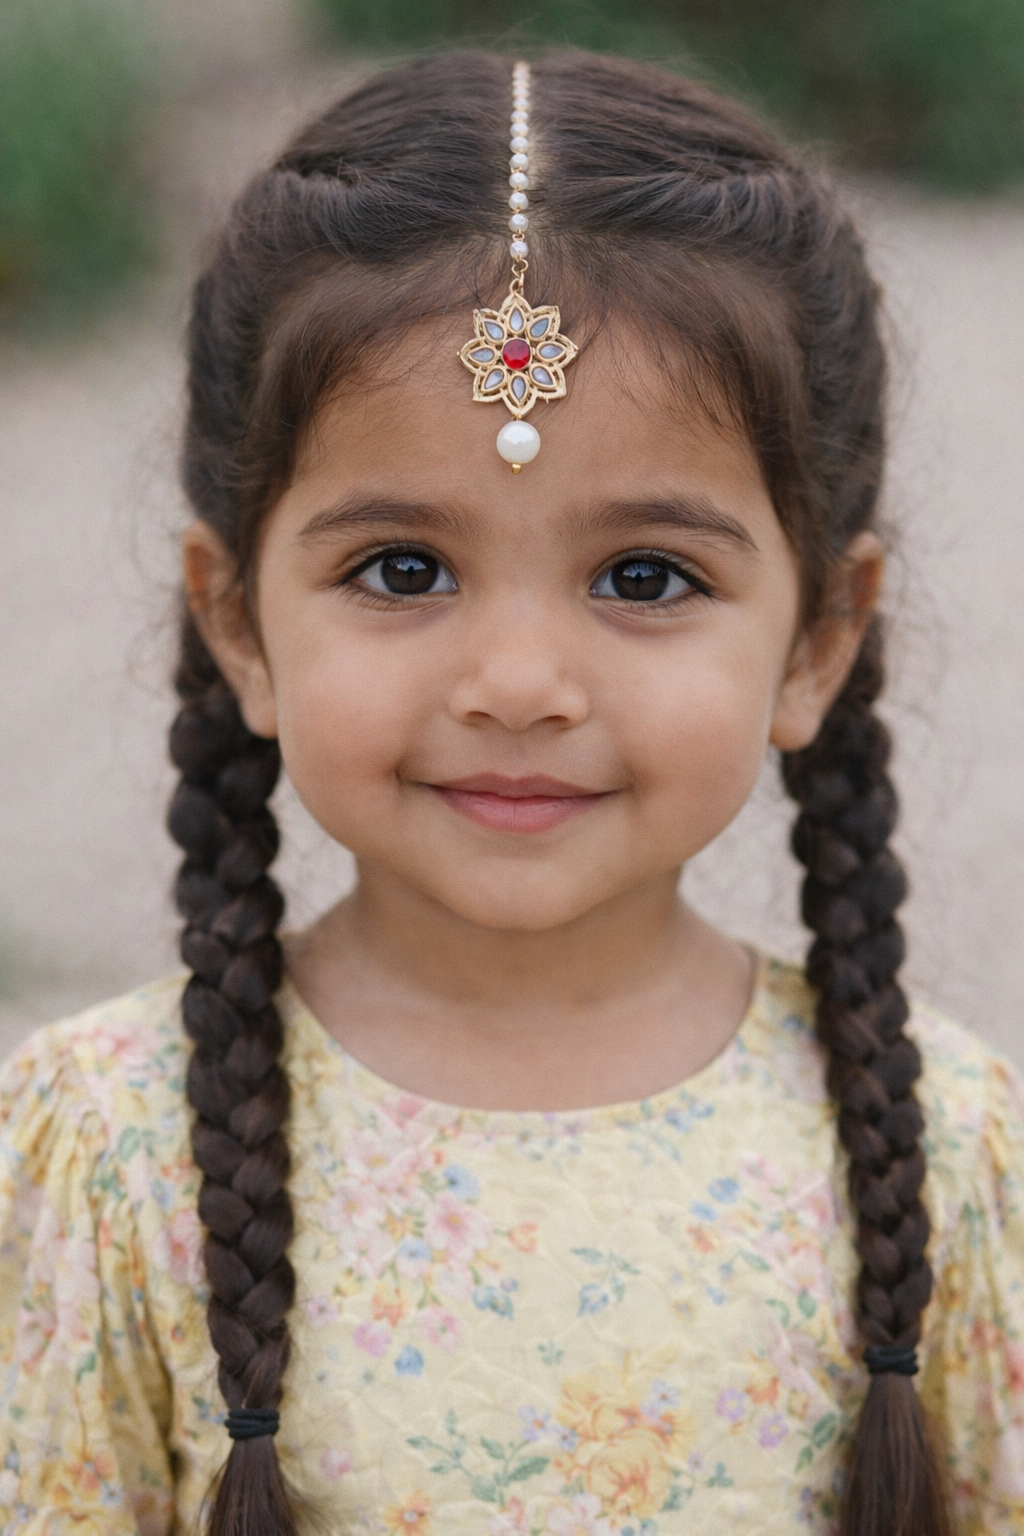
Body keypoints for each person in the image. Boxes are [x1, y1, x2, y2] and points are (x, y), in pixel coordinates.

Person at [1, 48, 1021, 1536]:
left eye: (645, 577)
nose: (521, 683)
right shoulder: (111, 1146)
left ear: (819, 640)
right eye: (404, 569)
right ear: (238, 624)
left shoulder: (948, 1152)